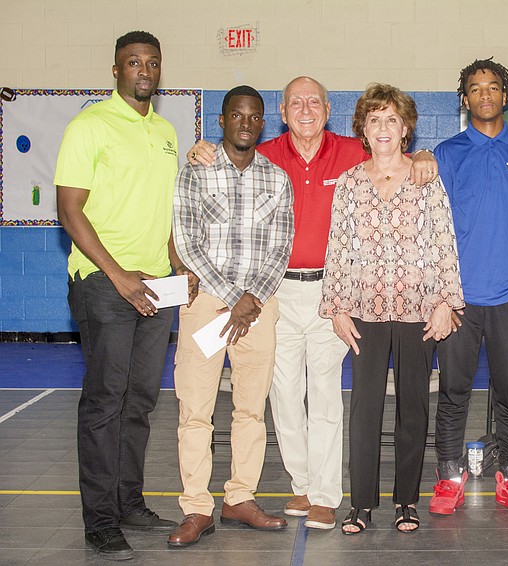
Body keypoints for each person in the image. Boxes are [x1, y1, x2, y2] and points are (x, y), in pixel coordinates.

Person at [187, 77, 437, 530]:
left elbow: (394, 154)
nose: (305, 109)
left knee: (324, 393)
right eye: (295, 102)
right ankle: (300, 486)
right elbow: (222, 161)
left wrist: (423, 155)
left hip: (332, 293)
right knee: (282, 394)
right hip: (274, 290)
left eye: (314, 102)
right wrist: (198, 151)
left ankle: (324, 494)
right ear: (282, 112)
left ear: (328, 109)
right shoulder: (263, 156)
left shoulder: (350, 153)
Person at [55, 30, 197, 561]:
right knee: (104, 402)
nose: (144, 70)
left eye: (153, 63)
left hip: (156, 287)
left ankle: (128, 500)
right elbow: (71, 211)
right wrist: (117, 276)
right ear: (116, 70)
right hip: (105, 285)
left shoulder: (164, 132)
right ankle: (100, 521)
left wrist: (178, 266)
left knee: (139, 402)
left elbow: (164, 213)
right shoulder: (88, 125)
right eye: (133, 62)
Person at [320, 83, 464, 534]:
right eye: (374, 119)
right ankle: (360, 503)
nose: (383, 128)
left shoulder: (426, 179)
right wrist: (337, 307)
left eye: (392, 120)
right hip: (363, 309)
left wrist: (446, 303)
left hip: (419, 310)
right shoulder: (349, 182)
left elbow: (445, 242)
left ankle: (406, 501)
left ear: (406, 129)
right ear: (363, 128)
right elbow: (338, 247)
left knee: (413, 408)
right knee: (363, 408)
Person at [167, 86, 294, 547]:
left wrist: (252, 299)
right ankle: (197, 507)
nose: (246, 122)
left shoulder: (277, 180)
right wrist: (231, 298)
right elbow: (186, 240)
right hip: (205, 305)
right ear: (221, 120)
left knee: (250, 410)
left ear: (263, 123)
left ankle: (239, 496)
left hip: (259, 307)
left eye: (254, 116)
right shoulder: (195, 172)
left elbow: (281, 246)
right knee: (195, 411)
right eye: (237, 115)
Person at [429, 58, 508, 516]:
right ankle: (447, 478)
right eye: (476, 88)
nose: (485, 94)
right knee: (453, 390)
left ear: (505, 95)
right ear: (464, 100)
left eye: (494, 87)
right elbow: (431, 226)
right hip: (457, 299)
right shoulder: (446, 154)